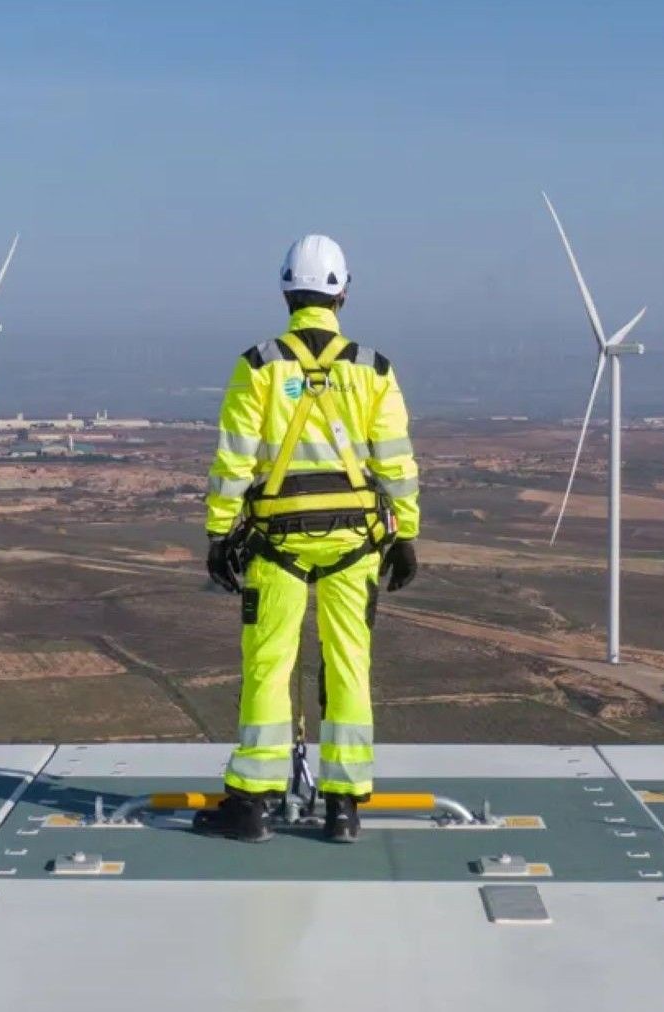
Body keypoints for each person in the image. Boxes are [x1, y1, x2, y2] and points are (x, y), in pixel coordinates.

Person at [197, 234, 420, 844]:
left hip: (277, 543)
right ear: (343, 291)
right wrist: (407, 537)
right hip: (357, 543)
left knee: (270, 667)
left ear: (285, 290)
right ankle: (343, 807)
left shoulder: (259, 366)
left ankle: (253, 805)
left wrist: (220, 536)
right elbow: (397, 463)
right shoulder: (374, 370)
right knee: (349, 665)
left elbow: (234, 462)